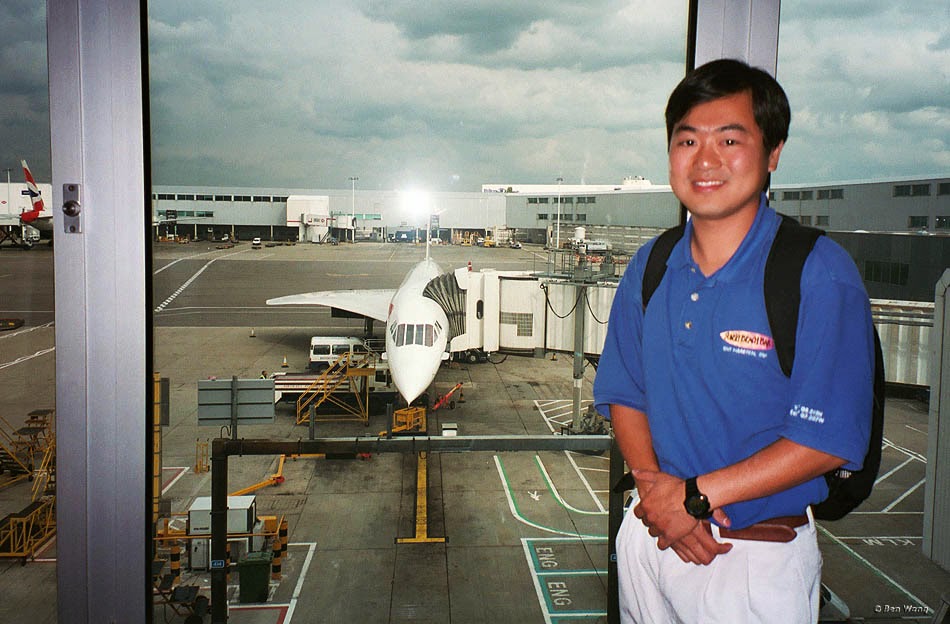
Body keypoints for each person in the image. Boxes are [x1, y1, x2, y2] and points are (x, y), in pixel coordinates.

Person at [592, 58, 874, 623]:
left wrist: (695, 497)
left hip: (751, 563)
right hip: (652, 537)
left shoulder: (817, 273)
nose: (705, 159)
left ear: (773, 153)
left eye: (729, 139)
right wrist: (661, 500)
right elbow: (625, 393)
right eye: (687, 140)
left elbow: (826, 439)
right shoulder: (650, 266)